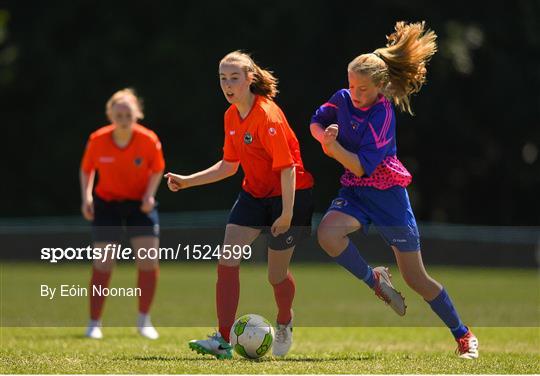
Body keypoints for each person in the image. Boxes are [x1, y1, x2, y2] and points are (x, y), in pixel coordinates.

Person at [310, 21, 479, 359]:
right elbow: (316, 120)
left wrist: (332, 149)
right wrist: (322, 136)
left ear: (380, 87)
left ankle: (464, 335)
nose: (354, 93)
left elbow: (360, 164)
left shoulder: (383, 113)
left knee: (416, 279)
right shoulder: (343, 99)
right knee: (327, 234)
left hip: (387, 197)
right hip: (356, 191)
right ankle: (375, 281)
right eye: (351, 85)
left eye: (362, 89)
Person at [165, 51, 314, 359]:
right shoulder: (231, 115)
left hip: (290, 194)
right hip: (254, 194)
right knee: (227, 256)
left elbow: (287, 169)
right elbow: (229, 166)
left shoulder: (267, 115)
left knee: (276, 276)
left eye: (234, 78)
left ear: (250, 79)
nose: (228, 85)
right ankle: (222, 339)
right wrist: (187, 181)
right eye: (223, 78)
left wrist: (287, 213)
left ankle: (284, 321)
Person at [80, 88, 165, 340]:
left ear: (136, 114)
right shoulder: (97, 139)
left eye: (128, 113)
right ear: (110, 115)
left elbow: (157, 168)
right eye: (118, 114)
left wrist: (150, 195)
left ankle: (143, 321)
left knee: (149, 261)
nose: (123, 118)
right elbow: (87, 169)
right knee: (103, 262)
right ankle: (94, 323)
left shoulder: (149, 140)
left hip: (140, 205)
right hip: (107, 204)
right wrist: (87, 196)